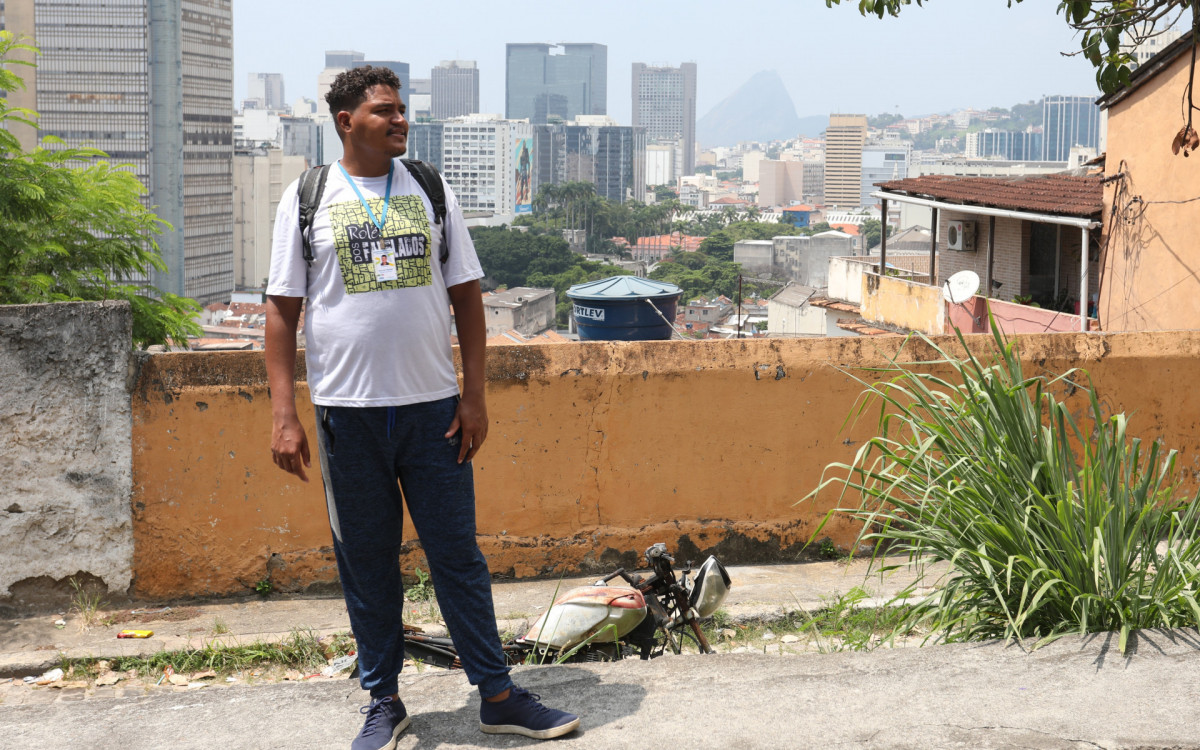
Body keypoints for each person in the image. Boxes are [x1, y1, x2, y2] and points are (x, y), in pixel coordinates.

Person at [264, 65, 580, 750]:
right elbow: (282, 310)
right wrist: (284, 414)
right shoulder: (308, 197)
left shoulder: (431, 189)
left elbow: (467, 296)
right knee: (366, 561)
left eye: (401, 108)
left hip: (433, 411)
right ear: (347, 121)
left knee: (456, 556)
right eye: (384, 110)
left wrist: (475, 395)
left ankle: (497, 695)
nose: (400, 119)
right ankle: (384, 700)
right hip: (346, 413)